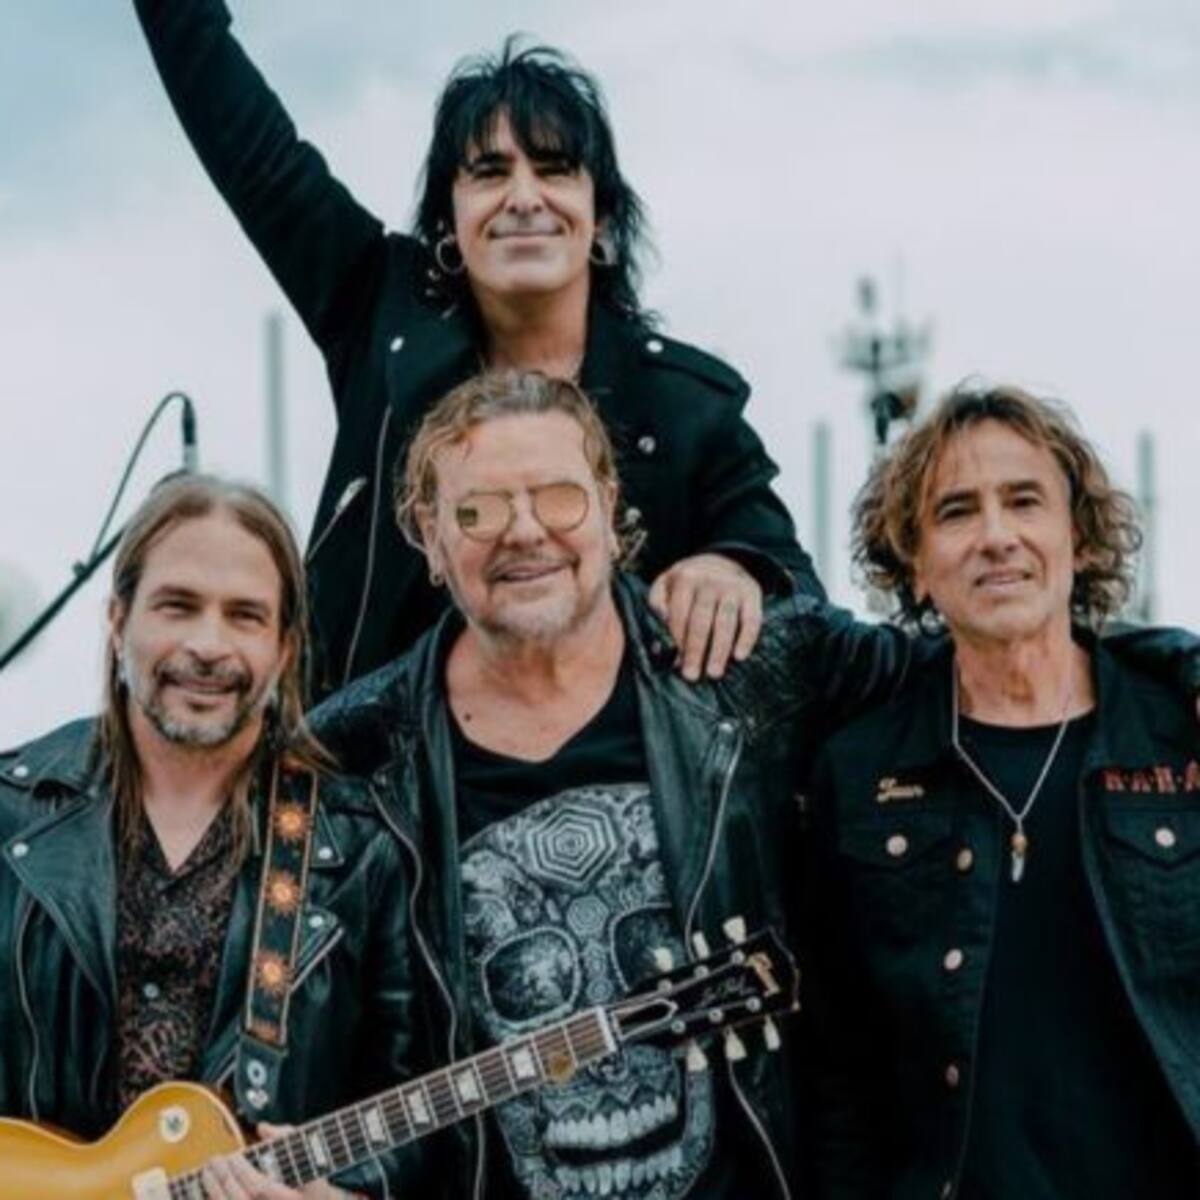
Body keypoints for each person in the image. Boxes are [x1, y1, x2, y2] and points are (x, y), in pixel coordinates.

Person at [308, 370, 1200, 1200]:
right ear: (427, 536)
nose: (525, 530)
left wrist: (1174, 667)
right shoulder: (358, 751)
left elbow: (991, 644)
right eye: (478, 510)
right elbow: (351, 1034)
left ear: (611, 508)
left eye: (558, 495)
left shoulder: (753, 669)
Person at [132, 0, 823, 700]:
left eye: (554, 169)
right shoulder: (377, 309)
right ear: (448, 220)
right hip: (367, 760)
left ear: (601, 216)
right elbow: (245, 139)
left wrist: (736, 569)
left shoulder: (685, 405)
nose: (524, 197)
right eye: (490, 172)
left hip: (612, 765)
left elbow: (797, 590)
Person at [805, 384, 1200, 1199]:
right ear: (914, 564)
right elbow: (837, 1068)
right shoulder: (859, 771)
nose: (995, 537)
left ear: (1078, 538)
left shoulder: (1179, 732)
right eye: (956, 512)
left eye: (1024, 501)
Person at [0, 476, 422, 1199]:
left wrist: (349, 1194)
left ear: (284, 648)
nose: (207, 645)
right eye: (178, 606)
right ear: (118, 621)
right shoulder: (12, 816)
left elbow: (418, 1116)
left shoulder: (359, 849)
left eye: (245, 616)